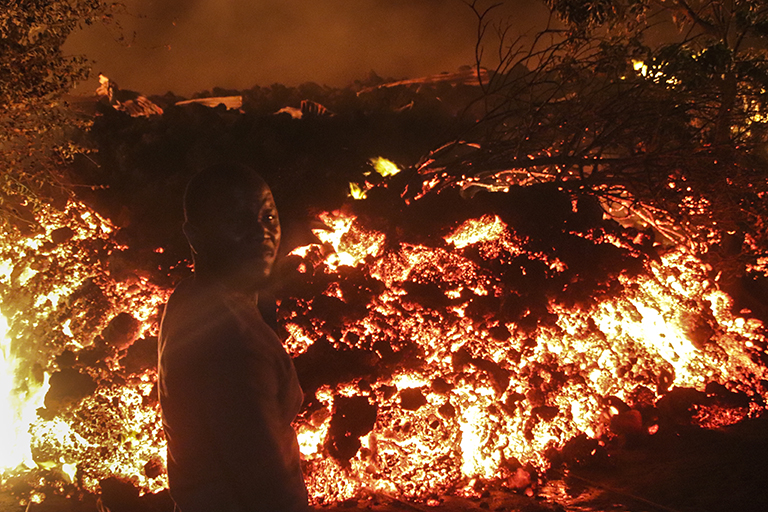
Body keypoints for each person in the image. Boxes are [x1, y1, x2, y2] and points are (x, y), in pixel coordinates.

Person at [158, 163, 309, 512]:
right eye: (239, 221)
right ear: (195, 236)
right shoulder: (231, 340)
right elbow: (265, 482)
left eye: (268, 218)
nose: (261, 233)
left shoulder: (192, 298)